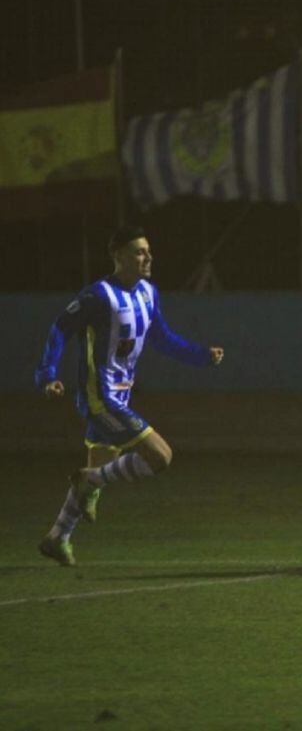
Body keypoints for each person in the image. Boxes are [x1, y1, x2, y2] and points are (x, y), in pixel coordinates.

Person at [34, 225, 224, 567]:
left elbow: (162, 338)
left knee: (100, 472)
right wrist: (47, 375)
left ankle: (56, 537)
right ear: (118, 256)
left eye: (148, 251)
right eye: (139, 251)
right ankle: (88, 480)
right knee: (160, 457)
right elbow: (60, 328)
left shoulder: (148, 294)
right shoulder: (98, 295)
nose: (148, 257)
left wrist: (201, 355)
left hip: (122, 396)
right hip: (101, 398)